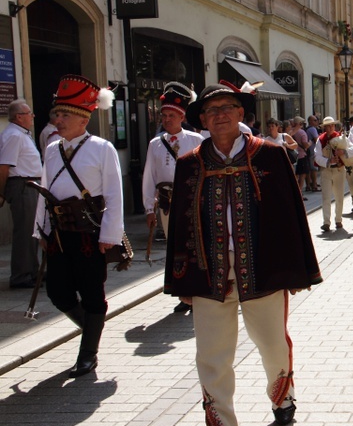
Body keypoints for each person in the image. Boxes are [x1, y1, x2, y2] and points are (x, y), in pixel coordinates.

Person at [165, 82, 322, 426]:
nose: (219, 115)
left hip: (264, 272)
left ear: (241, 113)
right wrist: (182, 282)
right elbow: (181, 224)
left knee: (272, 344)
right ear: (202, 119)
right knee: (212, 358)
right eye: (211, 110)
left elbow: (291, 214)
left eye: (227, 108)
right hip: (208, 277)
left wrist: (297, 269)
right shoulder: (189, 164)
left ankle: (282, 396)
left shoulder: (269, 155)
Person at [33, 75, 123, 377]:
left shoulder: (102, 148)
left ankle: (88, 355)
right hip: (59, 233)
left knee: (92, 292)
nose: (58, 120)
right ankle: (91, 329)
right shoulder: (51, 149)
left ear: (83, 119)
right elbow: (45, 190)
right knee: (58, 292)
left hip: (90, 233)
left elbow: (113, 194)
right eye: (57, 114)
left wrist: (109, 235)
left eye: (65, 115)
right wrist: (41, 231)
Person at [142, 82, 204, 313]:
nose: (165, 119)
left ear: (181, 116)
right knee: (174, 248)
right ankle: (182, 292)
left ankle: (196, 288)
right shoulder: (155, 144)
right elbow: (148, 177)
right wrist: (149, 208)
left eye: (170, 115)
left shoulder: (195, 141)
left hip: (191, 201)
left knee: (193, 246)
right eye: (163, 115)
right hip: (167, 203)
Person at [0, 99, 43, 288]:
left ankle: (32, 271)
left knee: (32, 231)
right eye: (29, 113)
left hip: (31, 185)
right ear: (19, 117)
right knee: (25, 232)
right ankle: (21, 275)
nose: (32, 116)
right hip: (22, 185)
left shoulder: (21, 134)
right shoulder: (14, 135)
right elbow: (4, 167)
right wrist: (1, 193)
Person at [314, 116, 353, 231]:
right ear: (324, 127)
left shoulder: (341, 138)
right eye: (327, 126)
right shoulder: (321, 139)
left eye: (331, 125)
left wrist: (343, 151)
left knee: (339, 196)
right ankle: (326, 222)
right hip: (326, 170)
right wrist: (328, 161)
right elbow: (317, 156)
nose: (330, 127)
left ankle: (338, 220)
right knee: (326, 197)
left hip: (339, 170)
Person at [290, 116, 310, 195]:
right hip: (301, 155)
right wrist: (310, 143)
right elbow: (305, 145)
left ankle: (296, 192)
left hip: (293, 156)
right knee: (302, 175)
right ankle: (299, 192)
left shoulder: (291, 131)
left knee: (296, 175)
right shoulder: (302, 132)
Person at [306, 115, 320, 192]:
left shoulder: (308, 129)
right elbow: (317, 140)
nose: (317, 121)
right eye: (315, 120)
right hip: (312, 151)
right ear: (310, 121)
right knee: (314, 169)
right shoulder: (313, 129)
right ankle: (314, 185)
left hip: (308, 151)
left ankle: (309, 184)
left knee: (309, 169)